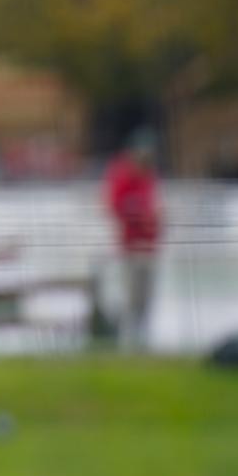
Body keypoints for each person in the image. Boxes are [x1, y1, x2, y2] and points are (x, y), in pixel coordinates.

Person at [102, 127, 162, 349]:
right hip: (130, 245)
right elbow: (114, 206)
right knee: (131, 295)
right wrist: (141, 215)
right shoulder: (122, 174)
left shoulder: (148, 175)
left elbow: (154, 203)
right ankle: (128, 339)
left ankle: (143, 337)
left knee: (146, 296)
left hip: (149, 245)